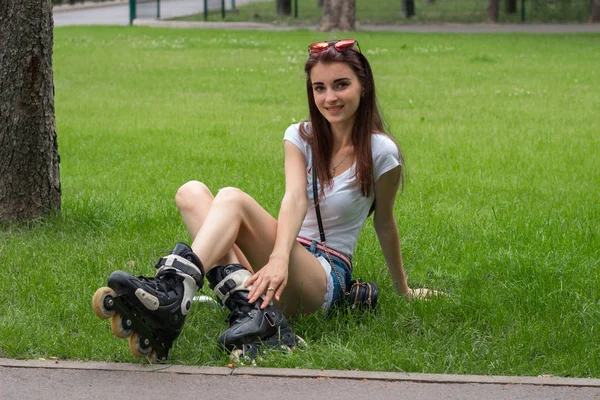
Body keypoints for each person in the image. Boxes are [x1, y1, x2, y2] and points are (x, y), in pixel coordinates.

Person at [93, 38, 437, 361]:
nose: (329, 97)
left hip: (322, 276)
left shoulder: (382, 152)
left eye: (341, 84)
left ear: (363, 86)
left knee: (232, 199)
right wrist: (277, 259)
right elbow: (294, 199)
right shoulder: (300, 136)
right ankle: (252, 313)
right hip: (285, 255)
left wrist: (403, 290)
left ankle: (172, 293)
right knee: (191, 193)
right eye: (319, 87)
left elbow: (384, 222)